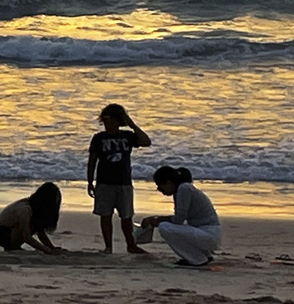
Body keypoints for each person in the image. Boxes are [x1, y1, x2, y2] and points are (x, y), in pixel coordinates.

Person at [86, 103, 152, 254]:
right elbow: (92, 161)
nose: (109, 125)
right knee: (105, 215)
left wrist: (131, 123)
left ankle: (131, 244)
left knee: (126, 216)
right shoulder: (99, 138)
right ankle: (108, 247)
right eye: (106, 121)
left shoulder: (127, 136)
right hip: (104, 182)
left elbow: (146, 141)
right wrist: (90, 182)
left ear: (119, 121)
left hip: (124, 182)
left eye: (112, 121)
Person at [141, 166, 221, 267]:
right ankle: (203, 255)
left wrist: (156, 220)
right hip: (206, 232)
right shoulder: (181, 190)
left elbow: (178, 219)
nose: (159, 189)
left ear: (169, 182)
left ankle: (197, 259)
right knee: (171, 227)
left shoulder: (184, 188)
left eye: (160, 185)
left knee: (164, 227)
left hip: (208, 234)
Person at [0, 182, 64, 254]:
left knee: (35, 225)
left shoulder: (34, 208)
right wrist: (45, 250)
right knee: (30, 226)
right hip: (2, 233)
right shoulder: (25, 210)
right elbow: (26, 237)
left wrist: (51, 247)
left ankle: (14, 245)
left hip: (9, 230)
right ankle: (12, 246)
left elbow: (40, 232)